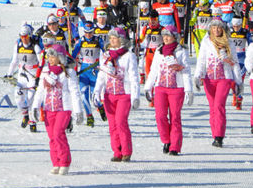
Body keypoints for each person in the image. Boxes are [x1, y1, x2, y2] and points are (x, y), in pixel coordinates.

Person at [31, 44, 83, 174]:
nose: (50, 59)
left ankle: (64, 162)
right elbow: (40, 91)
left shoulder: (68, 72)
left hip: (63, 108)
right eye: (49, 56)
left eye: (53, 56)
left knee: (58, 133)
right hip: (49, 108)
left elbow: (74, 92)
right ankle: (56, 162)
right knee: (52, 137)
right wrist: (35, 107)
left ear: (60, 57)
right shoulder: (45, 71)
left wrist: (78, 110)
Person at [92, 27, 141, 162]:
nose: (113, 41)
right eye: (111, 38)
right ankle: (117, 151)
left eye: (115, 38)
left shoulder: (128, 56)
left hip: (124, 94)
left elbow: (133, 77)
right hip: (109, 94)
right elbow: (102, 75)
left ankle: (126, 151)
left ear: (122, 40)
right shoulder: (105, 55)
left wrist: (135, 95)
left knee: (121, 122)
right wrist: (97, 91)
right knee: (112, 124)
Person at [143, 27, 192, 155]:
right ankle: (166, 140)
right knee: (160, 116)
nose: (165, 38)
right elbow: (153, 70)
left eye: (168, 36)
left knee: (175, 117)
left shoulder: (181, 51)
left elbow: (186, 71)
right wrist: (148, 87)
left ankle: (175, 146)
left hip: (176, 88)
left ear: (175, 37)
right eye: (164, 36)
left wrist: (188, 90)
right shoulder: (159, 51)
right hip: (161, 87)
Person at [193, 20, 242, 147]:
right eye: (214, 28)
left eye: (219, 28)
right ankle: (214, 133)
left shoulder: (229, 42)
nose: (216, 30)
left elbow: (235, 62)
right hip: (209, 79)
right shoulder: (206, 42)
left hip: (224, 78)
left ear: (223, 29)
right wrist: (198, 76)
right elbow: (201, 60)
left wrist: (238, 81)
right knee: (212, 108)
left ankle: (219, 136)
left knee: (219, 106)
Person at [7, 24, 43, 131]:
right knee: (18, 98)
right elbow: (14, 61)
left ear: (30, 36)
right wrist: (9, 74)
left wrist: (38, 77)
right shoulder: (18, 45)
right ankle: (25, 115)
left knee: (31, 98)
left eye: (26, 37)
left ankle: (32, 121)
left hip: (33, 74)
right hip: (22, 74)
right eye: (22, 37)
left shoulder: (35, 46)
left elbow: (41, 61)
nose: (24, 39)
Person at [71, 22, 103, 127]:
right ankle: (89, 116)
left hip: (94, 70)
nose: (88, 35)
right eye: (86, 32)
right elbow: (73, 55)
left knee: (94, 98)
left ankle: (100, 107)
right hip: (84, 70)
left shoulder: (98, 40)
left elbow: (106, 52)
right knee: (83, 95)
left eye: (90, 32)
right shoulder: (81, 41)